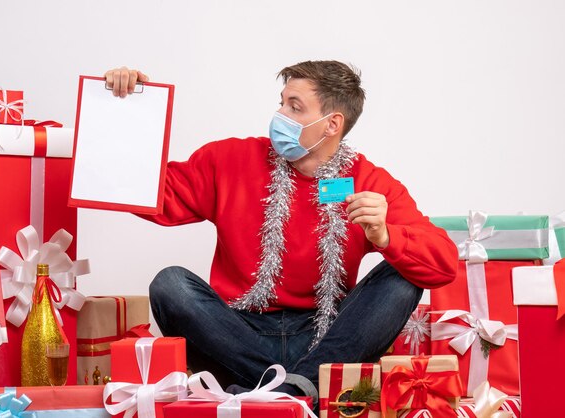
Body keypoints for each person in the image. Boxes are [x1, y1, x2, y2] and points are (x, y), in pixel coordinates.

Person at [104, 61, 458, 403]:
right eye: (282, 103)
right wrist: (130, 110)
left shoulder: (367, 181)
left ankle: (280, 392)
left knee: (403, 275)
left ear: (332, 124)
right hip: (237, 335)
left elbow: (443, 265)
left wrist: (385, 237)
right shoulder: (231, 159)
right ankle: (298, 390)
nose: (280, 116)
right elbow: (147, 193)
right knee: (170, 284)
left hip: (327, 338)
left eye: (295, 107)